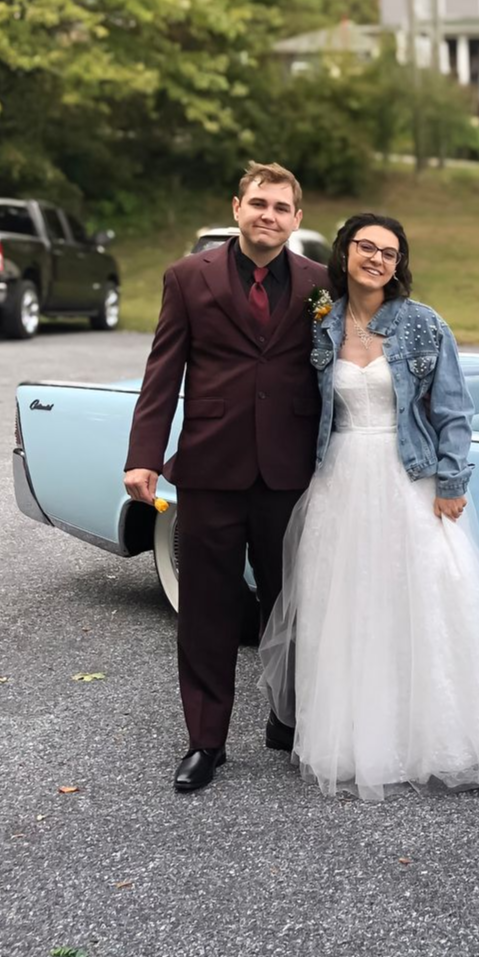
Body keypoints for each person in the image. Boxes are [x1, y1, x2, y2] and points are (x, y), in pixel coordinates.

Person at [259, 213, 479, 799]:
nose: (377, 259)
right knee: (347, 607)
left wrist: (452, 480)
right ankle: (356, 739)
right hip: (340, 479)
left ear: (399, 265)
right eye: (366, 247)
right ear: (344, 254)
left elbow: (454, 411)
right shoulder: (322, 325)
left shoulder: (424, 325)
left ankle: (443, 739)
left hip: (409, 476)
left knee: (426, 599)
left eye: (389, 253)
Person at [124, 162, 329, 793]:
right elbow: (164, 370)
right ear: (236, 207)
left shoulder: (321, 283)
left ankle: (287, 718)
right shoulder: (189, 278)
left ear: (296, 219)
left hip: (289, 473)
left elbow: (333, 372)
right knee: (207, 611)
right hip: (211, 469)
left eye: (282, 207)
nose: (269, 215)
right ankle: (205, 742)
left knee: (291, 604)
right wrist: (144, 455)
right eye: (259, 203)